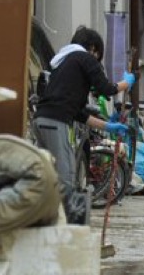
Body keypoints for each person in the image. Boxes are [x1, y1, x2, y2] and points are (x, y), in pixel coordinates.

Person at [32, 26, 135, 224]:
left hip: (41, 121)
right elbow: (106, 88)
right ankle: (71, 227)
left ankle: (45, 222)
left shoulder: (64, 63)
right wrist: (126, 83)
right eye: (98, 56)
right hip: (55, 122)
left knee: (47, 176)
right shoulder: (84, 57)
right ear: (93, 48)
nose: (96, 62)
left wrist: (108, 126)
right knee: (66, 177)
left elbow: (79, 113)